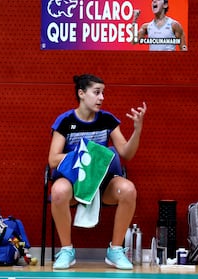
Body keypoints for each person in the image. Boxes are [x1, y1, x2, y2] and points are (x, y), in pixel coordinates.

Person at [48, 74, 146, 270]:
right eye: (97, 92)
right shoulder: (65, 121)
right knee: (58, 191)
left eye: (103, 93)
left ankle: (115, 251)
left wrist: (137, 129)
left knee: (128, 189)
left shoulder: (107, 120)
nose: (102, 98)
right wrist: (85, 153)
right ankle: (67, 250)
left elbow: (126, 152)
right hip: (75, 184)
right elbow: (53, 159)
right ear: (81, 93)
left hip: (102, 185)